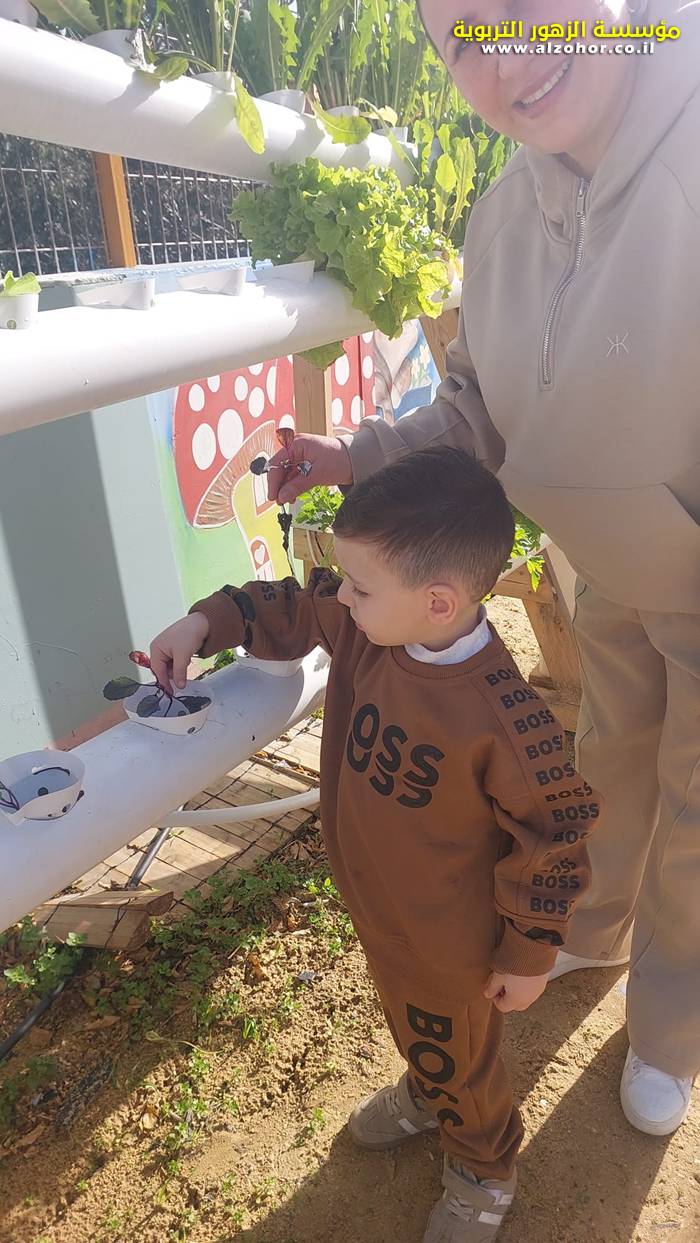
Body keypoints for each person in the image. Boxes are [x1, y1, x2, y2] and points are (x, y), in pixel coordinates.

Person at [264, 0, 700, 1138]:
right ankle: (592, 931)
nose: (504, 53)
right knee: (608, 757)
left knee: (699, 819)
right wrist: (353, 454)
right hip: (599, 561)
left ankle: (668, 1029)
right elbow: (476, 405)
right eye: (462, 35)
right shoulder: (503, 212)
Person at [151, 447, 602, 1242]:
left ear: (438, 602)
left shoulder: (506, 719)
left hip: (452, 943)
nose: (341, 597)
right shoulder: (371, 625)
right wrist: (203, 623)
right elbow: (296, 606)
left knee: (462, 1057)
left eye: (359, 587)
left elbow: (556, 833)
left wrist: (530, 954)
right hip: (382, 909)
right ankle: (430, 1091)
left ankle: (483, 1170)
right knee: (418, 1028)